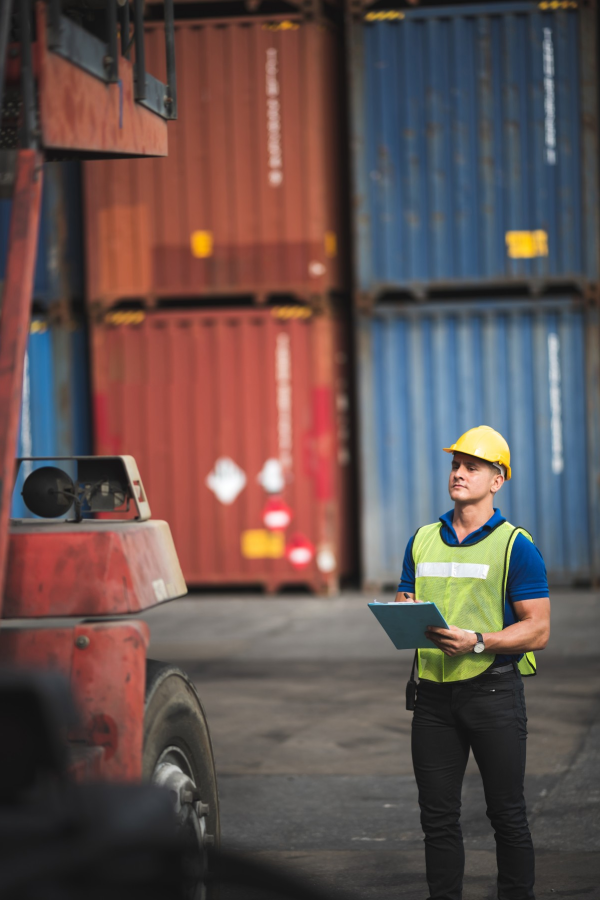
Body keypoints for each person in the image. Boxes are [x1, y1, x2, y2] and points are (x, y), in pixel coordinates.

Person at [396, 426, 550, 900]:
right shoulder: (422, 539)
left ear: (497, 480)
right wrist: (403, 609)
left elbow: (538, 629)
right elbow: (407, 597)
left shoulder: (514, 545)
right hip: (433, 698)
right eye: (455, 465)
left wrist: (478, 641)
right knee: (437, 819)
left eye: (472, 467)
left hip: (493, 694)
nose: (459, 474)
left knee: (506, 814)